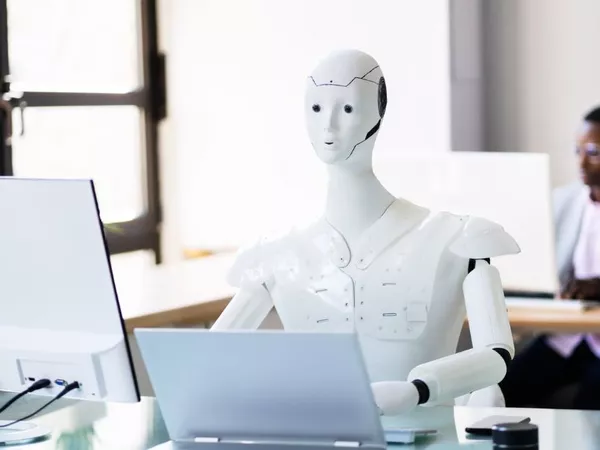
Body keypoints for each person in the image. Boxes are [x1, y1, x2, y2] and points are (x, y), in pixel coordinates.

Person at [500, 105, 600, 410]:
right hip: (565, 334)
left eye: (594, 151)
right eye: (577, 150)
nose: (581, 162)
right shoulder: (563, 200)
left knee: (587, 414)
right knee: (500, 393)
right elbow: (541, 265)